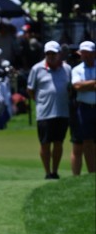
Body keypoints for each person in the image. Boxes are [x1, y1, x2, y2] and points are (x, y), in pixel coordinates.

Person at [27, 41, 72, 179]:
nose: (51, 56)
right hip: (44, 113)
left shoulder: (67, 69)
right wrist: (41, 101)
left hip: (62, 111)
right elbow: (30, 90)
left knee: (58, 143)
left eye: (54, 53)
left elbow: (70, 88)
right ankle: (47, 172)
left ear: (59, 54)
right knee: (45, 144)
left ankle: (55, 171)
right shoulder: (37, 69)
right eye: (48, 54)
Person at [69, 41, 95, 176]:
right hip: (84, 108)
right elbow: (77, 86)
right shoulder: (77, 69)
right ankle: (92, 174)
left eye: (88, 53)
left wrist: (86, 85)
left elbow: (82, 85)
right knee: (87, 142)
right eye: (83, 53)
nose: (85, 56)